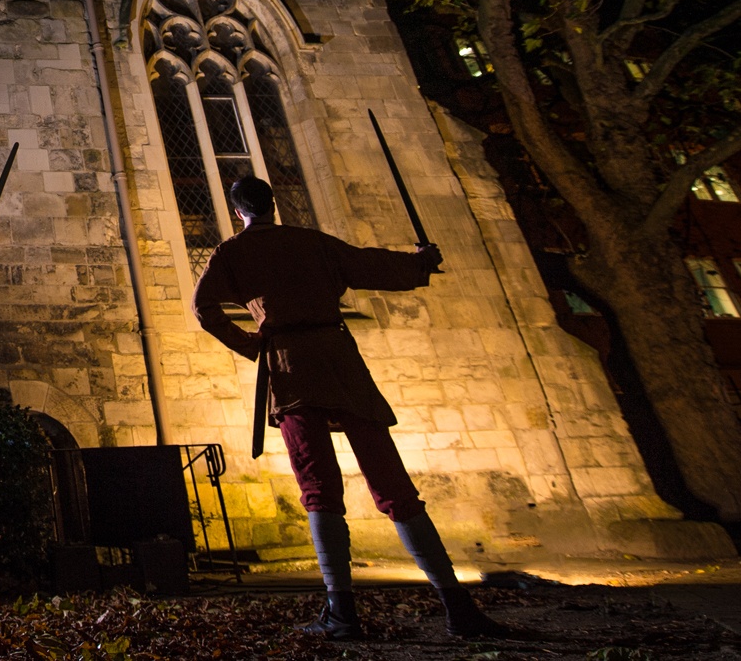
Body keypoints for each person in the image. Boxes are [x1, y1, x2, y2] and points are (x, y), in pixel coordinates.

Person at [192, 175, 511, 641]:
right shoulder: (311, 243)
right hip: (340, 360)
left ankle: (342, 613)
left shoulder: (232, 254)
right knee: (394, 485)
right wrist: (420, 264)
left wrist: (250, 343)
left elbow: (204, 308)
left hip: (292, 366)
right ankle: (457, 606)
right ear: (273, 205)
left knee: (319, 488)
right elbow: (370, 266)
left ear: (238, 210)